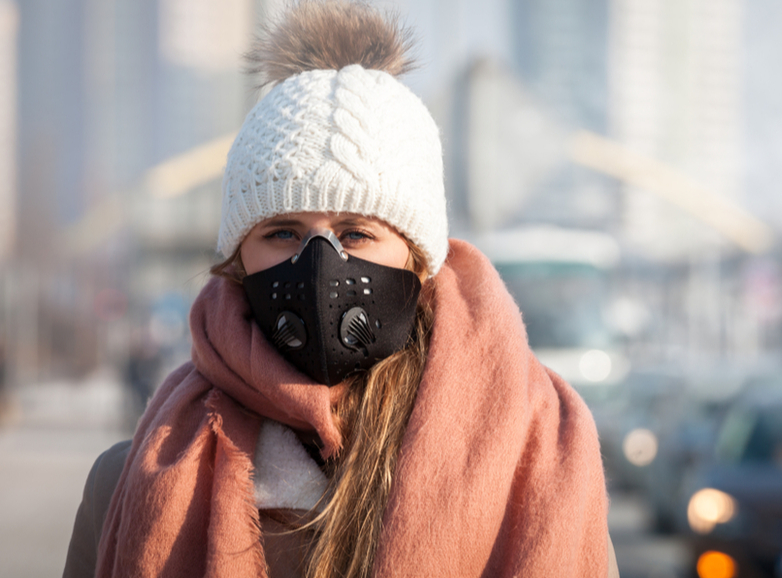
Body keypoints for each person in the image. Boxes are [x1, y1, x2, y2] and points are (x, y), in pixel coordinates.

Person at [63, 2, 617, 577]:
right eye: (282, 233)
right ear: (238, 260)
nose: (321, 266)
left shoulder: (541, 469)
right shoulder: (134, 483)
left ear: (418, 259)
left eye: (356, 233)